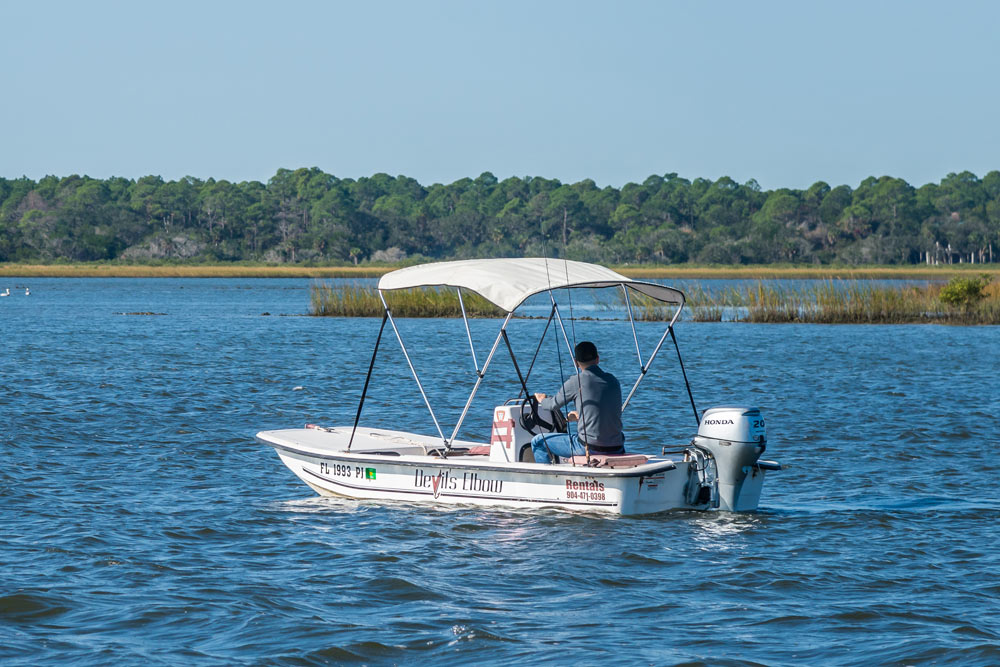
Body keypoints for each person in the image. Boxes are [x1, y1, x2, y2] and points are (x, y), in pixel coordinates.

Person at [530, 341, 624, 464]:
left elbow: (552, 405)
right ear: (598, 359)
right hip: (618, 447)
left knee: (537, 442)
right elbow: (605, 410)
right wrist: (580, 415)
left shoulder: (576, 381)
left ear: (576, 362)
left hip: (588, 448)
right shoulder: (613, 381)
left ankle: (545, 480)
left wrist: (542, 399)